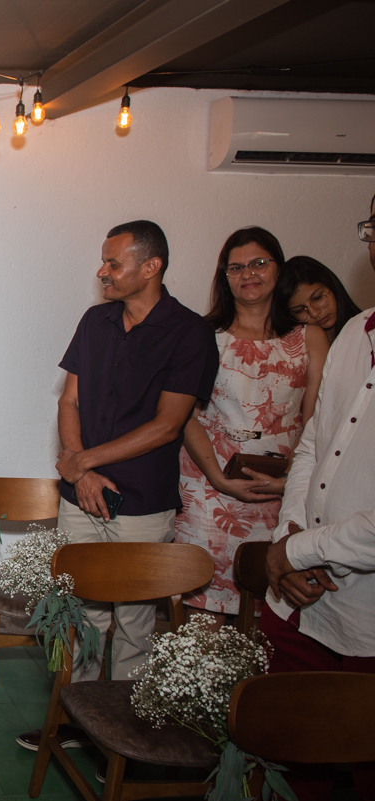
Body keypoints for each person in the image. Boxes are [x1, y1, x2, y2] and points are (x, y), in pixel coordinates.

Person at [17, 221, 218, 750]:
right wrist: (81, 472)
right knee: (74, 610)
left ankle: (123, 740)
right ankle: (72, 723)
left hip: (142, 501)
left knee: (132, 622)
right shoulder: (95, 320)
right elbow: (69, 401)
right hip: (79, 495)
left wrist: (83, 460)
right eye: (103, 262)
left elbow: (167, 424)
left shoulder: (189, 333)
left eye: (114, 263)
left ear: (150, 267)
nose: (102, 272)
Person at [263, 192, 375, 801]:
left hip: (368, 611)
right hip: (303, 601)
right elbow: (314, 446)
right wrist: (289, 538)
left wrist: (299, 550)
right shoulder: (356, 333)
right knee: (290, 751)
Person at [173, 228, 327, 628]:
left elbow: (317, 421)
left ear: (278, 267)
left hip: (282, 491)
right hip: (207, 488)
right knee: (202, 616)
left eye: (259, 263)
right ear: (224, 277)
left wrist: (291, 482)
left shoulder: (309, 337)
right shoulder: (203, 335)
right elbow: (184, 413)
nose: (248, 274)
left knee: (270, 616)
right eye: (236, 267)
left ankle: (252, 693)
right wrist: (218, 481)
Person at [279, 255, 363, 345]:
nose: (314, 313)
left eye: (317, 298)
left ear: (332, 286)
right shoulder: (296, 351)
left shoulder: (366, 330)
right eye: (299, 310)